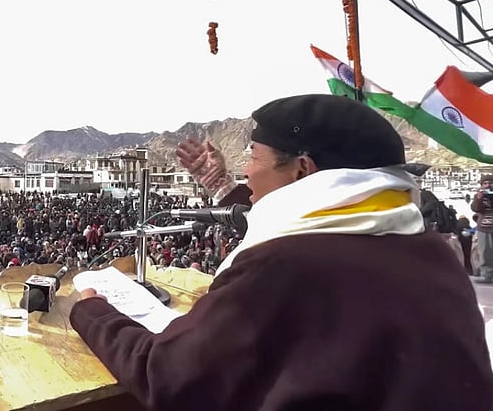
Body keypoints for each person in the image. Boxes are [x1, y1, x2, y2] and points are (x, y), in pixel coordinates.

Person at [69, 94, 493, 410]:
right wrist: (223, 189)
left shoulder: (283, 267)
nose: (246, 170)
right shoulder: (428, 250)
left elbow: (166, 376)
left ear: (303, 169)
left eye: (253, 157)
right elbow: (306, 220)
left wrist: (92, 311)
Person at [471, 174, 493, 283]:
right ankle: (487, 276)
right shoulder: (479, 195)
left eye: (490, 183)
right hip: (484, 227)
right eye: (485, 183)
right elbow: (475, 208)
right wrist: (479, 199)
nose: (488, 185)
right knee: (484, 252)